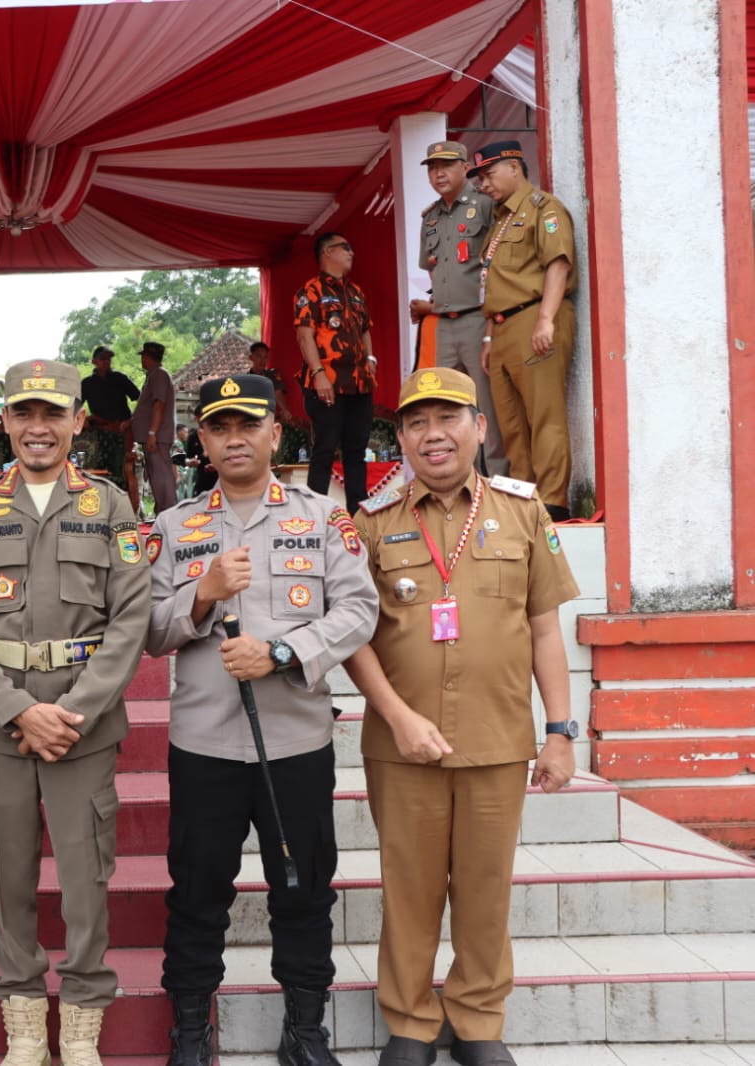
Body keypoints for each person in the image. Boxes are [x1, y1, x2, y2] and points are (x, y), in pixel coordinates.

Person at [345, 367, 580, 1066]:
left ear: (478, 428)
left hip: (497, 738)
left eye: (447, 418)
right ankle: (411, 1023)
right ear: (400, 438)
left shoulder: (523, 513)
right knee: (409, 889)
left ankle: (478, 1021)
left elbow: (544, 629)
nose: (432, 435)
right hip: (402, 745)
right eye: (416, 423)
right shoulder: (371, 522)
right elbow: (353, 637)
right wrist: (395, 717)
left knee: (484, 889)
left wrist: (560, 732)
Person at [147, 374, 378, 1066]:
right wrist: (202, 594)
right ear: (202, 441)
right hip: (205, 745)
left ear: (275, 434)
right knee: (197, 892)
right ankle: (191, 1031)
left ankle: (304, 1030)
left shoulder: (323, 517)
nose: (234, 439)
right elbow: (148, 632)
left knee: (303, 891)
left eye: (248, 425)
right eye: (219, 428)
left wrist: (281, 652)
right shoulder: (172, 526)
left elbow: (358, 610)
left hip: (294, 741)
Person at [0, 359, 151, 1066]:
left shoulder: (110, 506)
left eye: (52, 413)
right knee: (7, 878)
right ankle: (25, 1023)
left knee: (86, 880)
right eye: (24, 413)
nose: (38, 427)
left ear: (77, 421)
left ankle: (82, 1021)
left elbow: (130, 618)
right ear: (4, 421)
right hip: (2, 728)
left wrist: (72, 712)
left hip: (82, 728)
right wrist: (16, 711)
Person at [470, 140, 578, 520]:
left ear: (514, 167)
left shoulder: (543, 209)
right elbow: (492, 282)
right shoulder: (500, 221)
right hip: (501, 328)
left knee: (544, 416)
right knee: (511, 424)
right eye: (480, 179)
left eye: (489, 174)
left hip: (534, 317)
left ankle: (553, 503)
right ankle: (522, 499)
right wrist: (488, 336)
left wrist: (546, 319)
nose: (484, 184)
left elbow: (558, 264)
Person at [409, 141, 506, 478]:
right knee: (449, 406)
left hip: (478, 320)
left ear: (465, 168)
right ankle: (463, 481)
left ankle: (496, 482)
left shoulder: (485, 205)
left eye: (446, 165)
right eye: (433, 168)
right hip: (444, 325)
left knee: (487, 407)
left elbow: (498, 264)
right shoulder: (431, 218)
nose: (439, 174)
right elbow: (434, 271)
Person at [294, 233, 377, 512]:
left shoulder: (356, 292)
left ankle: (358, 516)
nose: (352, 252)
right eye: (346, 247)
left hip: (360, 383)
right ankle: (315, 515)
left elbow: (365, 329)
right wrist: (318, 373)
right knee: (325, 449)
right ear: (328, 252)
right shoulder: (310, 291)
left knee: (357, 451)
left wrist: (371, 358)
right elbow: (304, 336)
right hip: (327, 381)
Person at [131, 341, 177, 514]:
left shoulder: (159, 375)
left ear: (148, 357)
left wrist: (152, 433)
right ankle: (162, 511)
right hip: (153, 436)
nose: (142, 359)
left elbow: (159, 404)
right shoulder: (153, 375)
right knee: (156, 475)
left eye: (143, 356)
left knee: (161, 475)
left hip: (158, 436)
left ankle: (168, 512)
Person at [81, 345, 138, 428]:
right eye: (102, 358)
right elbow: (74, 406)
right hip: (99, 427)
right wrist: (84, 419)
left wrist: (132, 419)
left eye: (108, 358)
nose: (106, 361)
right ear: (94, 361)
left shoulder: (120, 378)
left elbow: (141, 399)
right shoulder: (87, 383)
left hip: (122, 427)